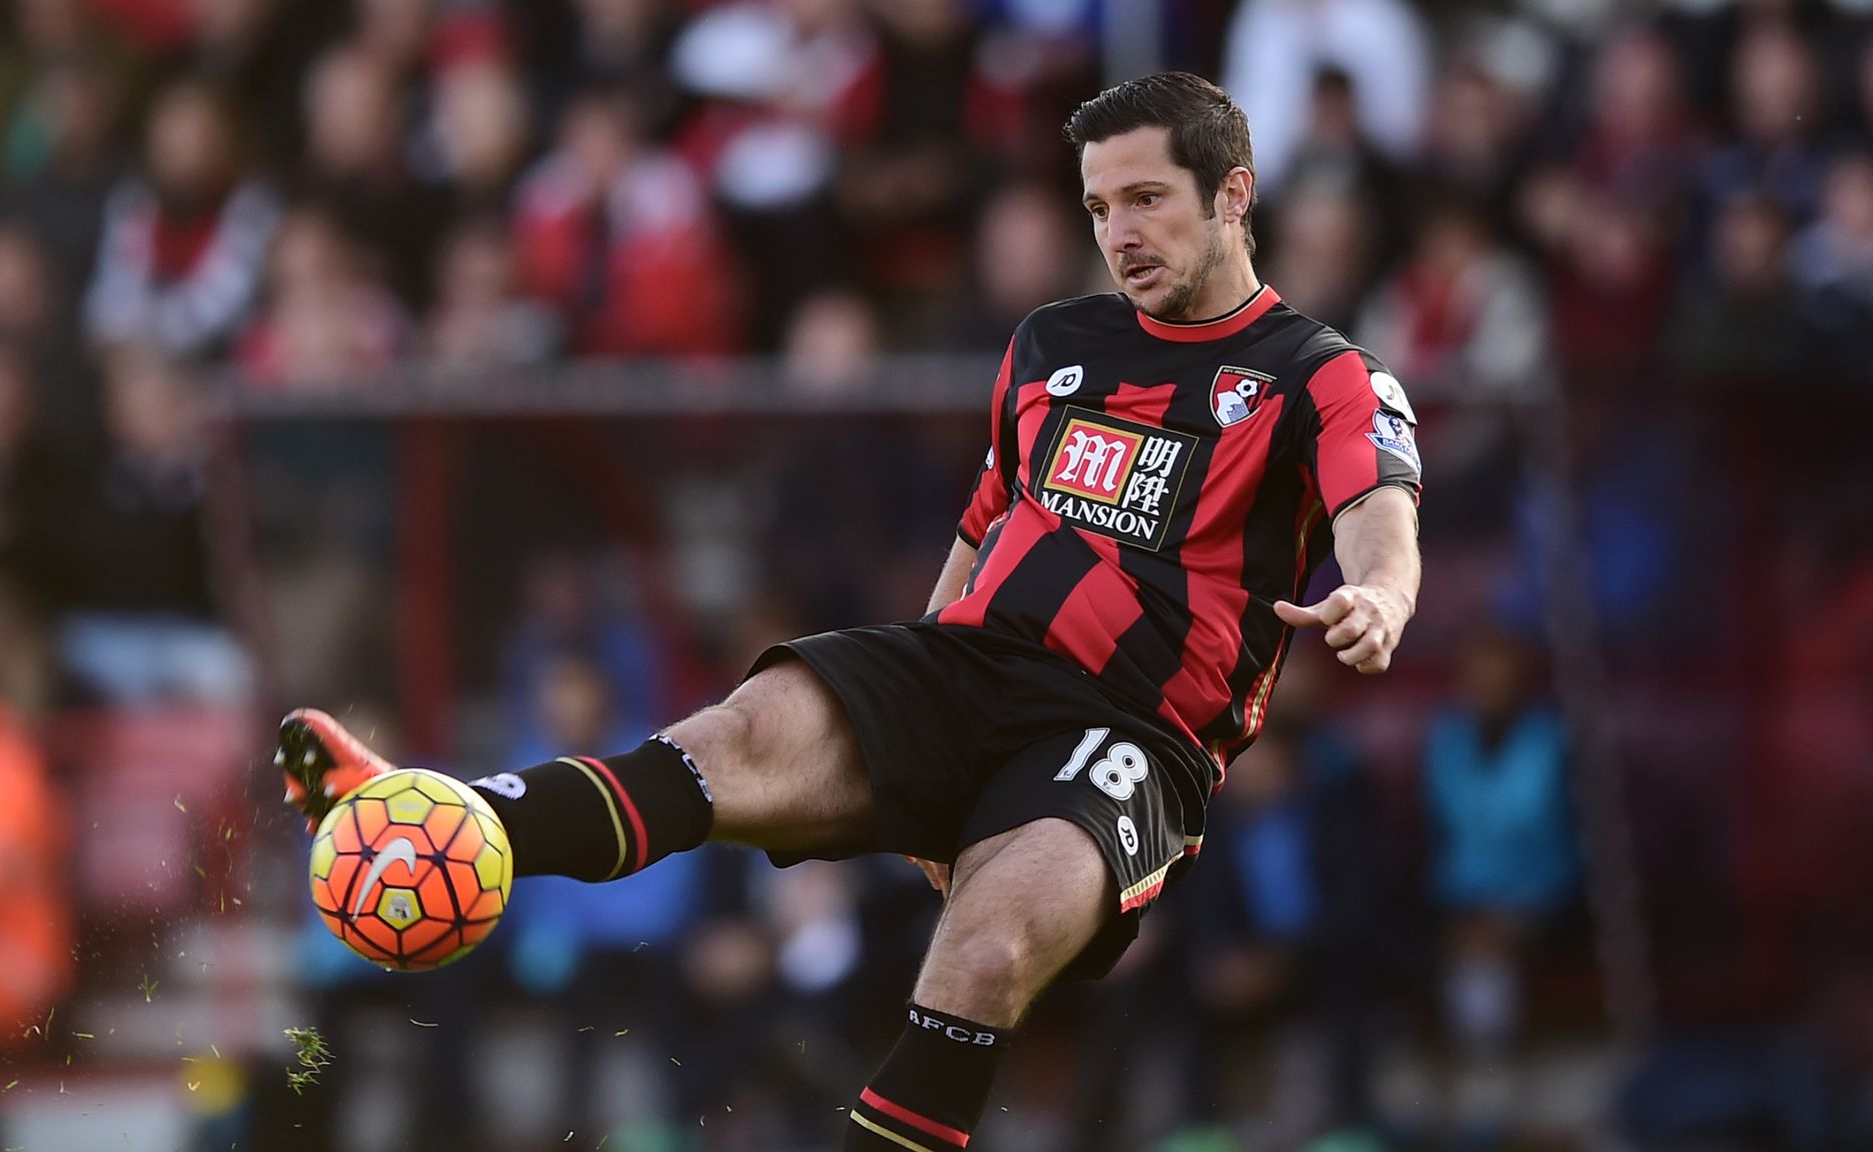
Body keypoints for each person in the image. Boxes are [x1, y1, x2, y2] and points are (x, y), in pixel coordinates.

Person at [273, 72, 1423, 1151]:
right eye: (1097, 206)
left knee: (980, 951)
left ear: (1232, 194)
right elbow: (980, 531)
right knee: (723, 743)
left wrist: (1374, 592)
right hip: (966, 668)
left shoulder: (1320, 374)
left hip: (1128, 732)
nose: (1118, 233)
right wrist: (924, 747)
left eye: (1145, 200)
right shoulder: (1050, 344)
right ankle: (433, 819)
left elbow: (1380, 512)